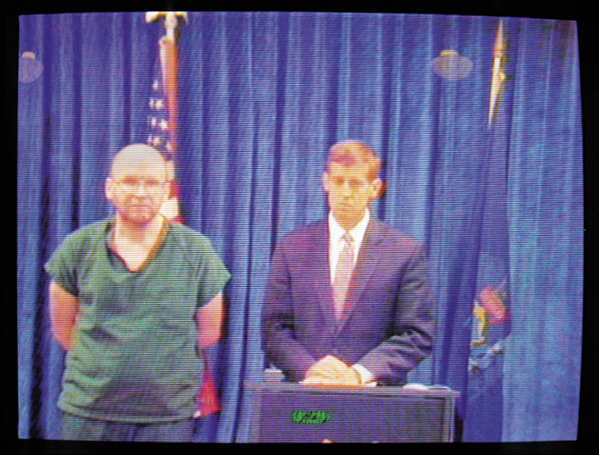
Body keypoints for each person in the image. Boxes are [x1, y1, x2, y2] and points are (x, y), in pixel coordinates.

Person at [45, 144, 231, 442]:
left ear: (166, 189)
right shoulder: (77, 248)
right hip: (87, 413)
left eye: (152, 182)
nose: (141, 192)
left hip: (167, 416)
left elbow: (209, 332)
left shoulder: (197, 251)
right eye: (130, 181)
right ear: (110, 188)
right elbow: (62, 330)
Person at [262, 141, 434, 386]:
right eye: (338, 181)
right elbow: (273, 330)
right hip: (307, 400)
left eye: (355, 183)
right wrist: (310, 368)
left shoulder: (405, 253)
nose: (345, 192)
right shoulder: (292, 248)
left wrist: (358, 373)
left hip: (375, 402)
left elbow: (417, 335)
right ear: (325, 182)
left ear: (374, 189)